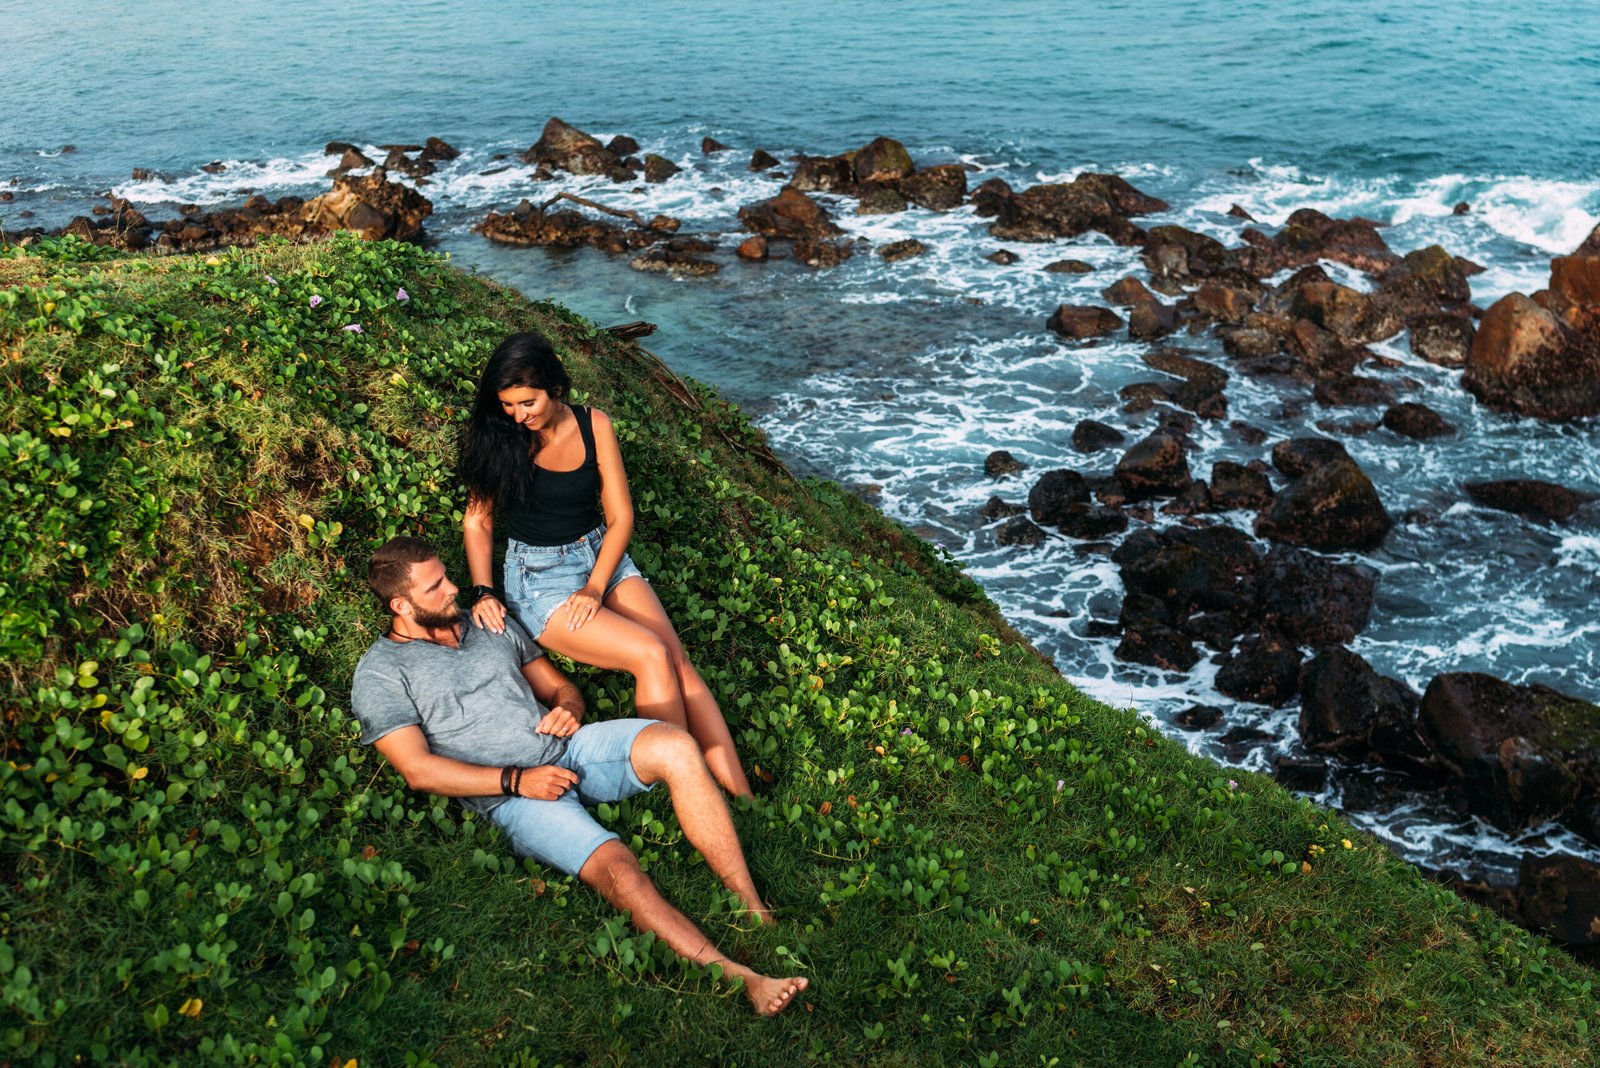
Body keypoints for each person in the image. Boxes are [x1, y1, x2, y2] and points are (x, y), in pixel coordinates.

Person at [349, 536, 807, 1016]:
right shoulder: (381, 674)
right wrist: (515, 782)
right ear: (400, 604)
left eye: (447, 575)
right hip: (515, 797)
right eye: (437, 585)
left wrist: (568, 706)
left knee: (675, 744)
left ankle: (753, 907)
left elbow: (558, 685)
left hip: (568, 750)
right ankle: (745, 978)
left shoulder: (486, 622)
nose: (454, 588)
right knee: (619, 870)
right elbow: (417, 770)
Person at [457, 331, 752, 797]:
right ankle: (679, 784)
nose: (519, 414)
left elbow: (620, 517)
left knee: (676, 658)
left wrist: (594, 587)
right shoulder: (502, 437)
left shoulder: (596, 425)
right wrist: (483, 590)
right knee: (650, 654)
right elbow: (478, 522)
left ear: (555, 387)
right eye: (510, 404)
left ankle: (741, 795)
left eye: (527, 402)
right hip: (539, 579)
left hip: (600, 556)